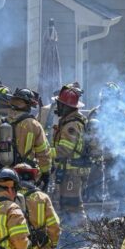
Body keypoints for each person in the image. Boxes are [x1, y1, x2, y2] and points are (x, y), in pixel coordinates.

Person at [0, 87, 51, 176]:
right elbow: (43, 152)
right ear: (28, 105)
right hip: (26, 173)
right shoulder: (34, 125)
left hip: (4, 174)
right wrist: (45, 173)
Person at [50, 84, 90, 214]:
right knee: (67, 207)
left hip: (71, 175)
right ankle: (71, 232)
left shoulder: (71, 125)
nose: (58, 107)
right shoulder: (73, 121)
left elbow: (64, 150)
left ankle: (78, 233)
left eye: (60, 104)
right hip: (71, 173)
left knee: (72, 208)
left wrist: (44, 153)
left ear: (67, 106)